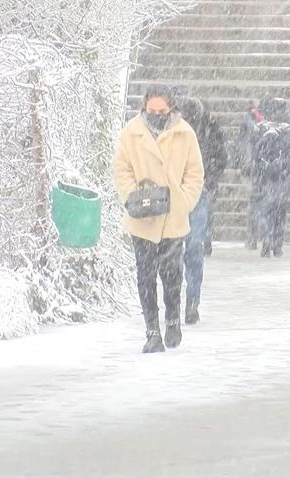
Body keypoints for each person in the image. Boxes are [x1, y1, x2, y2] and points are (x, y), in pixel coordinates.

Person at [113, 85, 204, 353]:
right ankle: (152, 331)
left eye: (161, 111)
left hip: (173, 216)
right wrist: (131, 195)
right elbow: (121, 168)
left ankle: (172, 320)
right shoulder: (131, 132)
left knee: (172, 273)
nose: (155, 115)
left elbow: (194, 172)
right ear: (144, 108)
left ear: (170, 109)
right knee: (145, 275)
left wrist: (184, 201)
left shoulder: (185, 133)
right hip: (142, 216)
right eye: (151, 111)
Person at [176, 96, 227, 324]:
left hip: (189, 193)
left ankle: (189, 299)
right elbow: (221, 158)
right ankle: (190, 299)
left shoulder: (185, 131)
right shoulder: (180, 131)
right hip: (187, 193)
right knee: (190, 249)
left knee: (187, 249)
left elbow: (220, 158)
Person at [251, 97, 290, 258]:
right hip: (283, 176)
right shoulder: (289, 131)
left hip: (264, 176)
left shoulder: (259, 129)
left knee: (266, 210)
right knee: (280, 212)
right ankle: (277, 243)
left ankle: (266, 239)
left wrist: (252, 173)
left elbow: (253, 154)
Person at [233, 101, 264, 250]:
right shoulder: (263, 122)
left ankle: (252, 236)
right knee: (261, 203)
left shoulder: (247, 124)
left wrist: (239, 164)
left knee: (255, 203)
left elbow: (240, 144)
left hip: (252, 168)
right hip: (261, 168)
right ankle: (262, 235)